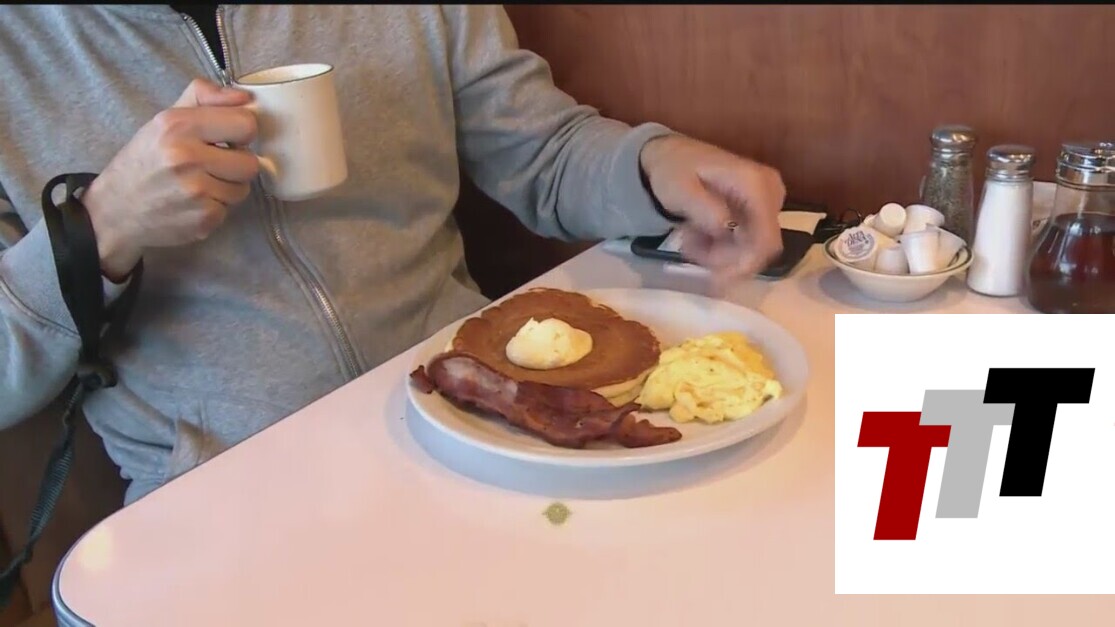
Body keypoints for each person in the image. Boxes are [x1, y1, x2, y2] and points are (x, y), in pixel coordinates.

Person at [0, 5, 785, 505]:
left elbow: (539, 149)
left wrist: (652, 166)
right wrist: (99, 228)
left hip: (475, 426)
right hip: (219, 500)